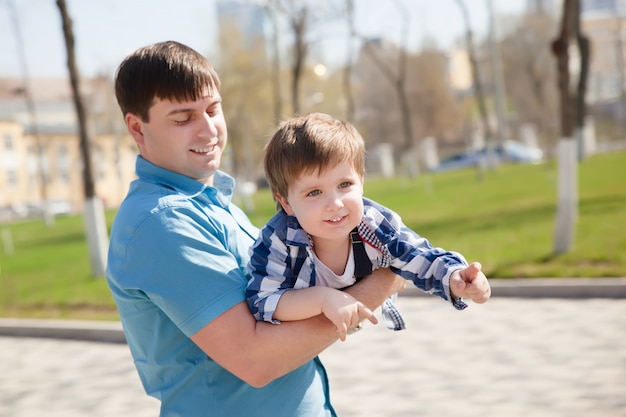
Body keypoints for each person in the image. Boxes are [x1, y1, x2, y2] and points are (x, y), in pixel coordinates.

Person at [105, 41, 413, 417]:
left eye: (213, 109)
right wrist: (386, 279)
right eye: (183, 118)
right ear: (137, 128)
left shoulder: (210, 202)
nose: (208, 130)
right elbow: (256, 360)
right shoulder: (161, 223)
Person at [246, 112, 491, 341]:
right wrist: (322, 299)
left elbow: (418, 256)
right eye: (314, 192)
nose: (335, 203)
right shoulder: (278, 240)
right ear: (286, 202)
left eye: (344, 184)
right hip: (298, 329)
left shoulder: (375, 224)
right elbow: (263, 299)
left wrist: (456, 277)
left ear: (361, 180)